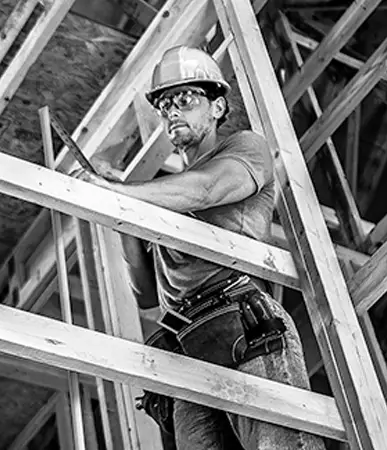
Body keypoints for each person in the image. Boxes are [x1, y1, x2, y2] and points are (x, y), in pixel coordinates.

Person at [71, 46, 326, 450]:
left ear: (218, 107)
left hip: (240, 323)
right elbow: (145, 294)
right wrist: (115, 211)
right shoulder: (163, 198)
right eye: (166, 104)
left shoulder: (245, 148)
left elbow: (207, 189)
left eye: (186, 99)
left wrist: (123, 191)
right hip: (184, 343)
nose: (173, 110)